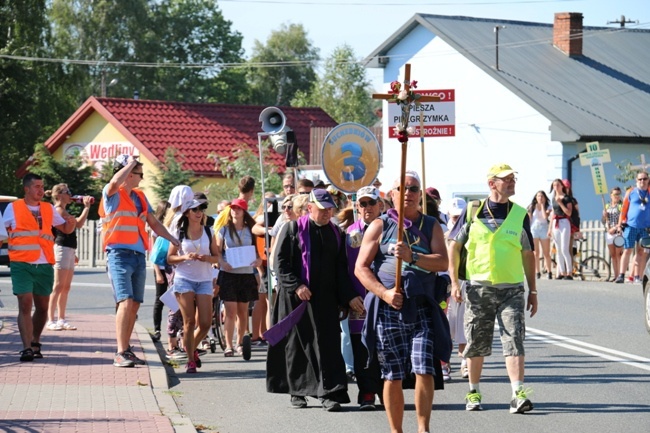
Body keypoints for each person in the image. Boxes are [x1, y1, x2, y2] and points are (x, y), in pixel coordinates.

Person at [355, 170, 450, 433]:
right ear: (391, 194)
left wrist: (413, 257)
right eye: (403, 188)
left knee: (424, 368)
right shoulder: (380, 225)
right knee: (393, 373)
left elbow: (442, 261)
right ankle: (396, 431)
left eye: (414, 189)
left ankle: (423, 428)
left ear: (420, 195)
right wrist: (384, 294)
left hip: (422, 305)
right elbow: (361, 268)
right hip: (389, 308)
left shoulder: (430, 225)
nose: (408, 193)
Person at [448, 163, 537, 414]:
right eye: (505, 179)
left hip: (512, 289)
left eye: (513, 178)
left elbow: (529, 254)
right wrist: (455, 282)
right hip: (479, 288)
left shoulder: (520, 214)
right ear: (492, 183)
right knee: (476, 342)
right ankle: (473, 392)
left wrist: (534, 290)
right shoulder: (473, 211)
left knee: (514, 340)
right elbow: (454, 246)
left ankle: (517, 394)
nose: (511, 182)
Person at [267, 189, 363, 412]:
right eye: (322, 209)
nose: (327, 213)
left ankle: (329, 392)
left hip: (326, 299)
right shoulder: (292, 229)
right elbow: (280, 264)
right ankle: (297, 391)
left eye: (330, 209)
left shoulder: (335, 233)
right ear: (310, 208)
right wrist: (296, 285)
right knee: (297, 346)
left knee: (327, 345)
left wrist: (347, 297)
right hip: (297, 298)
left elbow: (341, 269)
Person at [99, 154, 180, 368]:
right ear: (127, 173)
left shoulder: (140, 197)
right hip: (118, 254)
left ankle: (126, 349)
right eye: (138, 174)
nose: (141, 178)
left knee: (134, 305)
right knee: (125, 302)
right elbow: (115, 182)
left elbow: (153, 223)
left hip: (137, 256)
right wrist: (130, 163)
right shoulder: (112, 193)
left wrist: (171, 238)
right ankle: (119, 352)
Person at [3, 173, 77, 362]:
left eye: (42, 186)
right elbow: (2, 234)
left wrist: (71, 224)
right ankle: (27, 347)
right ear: (26, 189)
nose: (41, 190)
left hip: (44, 263)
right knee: (25, 303)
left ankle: (35, 341)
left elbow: (65, 230)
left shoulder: (48, 208)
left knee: (43, 307)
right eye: (36, 186)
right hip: (21, 263)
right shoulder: (13, 208)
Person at [167, 196, 218, 373]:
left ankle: (191, 348)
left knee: (204, 323)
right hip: (184, 279)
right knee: (189, 321)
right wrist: (184, 257)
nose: (199, 213)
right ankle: (190, 359)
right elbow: (170, 258)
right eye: (195, 209)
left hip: (204, 279)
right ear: (187, 212)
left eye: (202, 209)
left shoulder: (209, 231)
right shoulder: (179, 233)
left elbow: (217, 257)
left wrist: (207, 258)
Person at [344, 186, 384, 410]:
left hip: (384, 299)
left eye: (371, 203)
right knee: (362, 350)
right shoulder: (350, 234)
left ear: (380, 205)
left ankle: (386, 392)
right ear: (357, 207)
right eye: (362, 204)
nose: (367, 207)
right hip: (359, 301)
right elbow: (343, 270)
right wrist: (350, 297)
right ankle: (367, 392)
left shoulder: (390, 230)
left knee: (385, 349)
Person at [215, 198, 262, 357]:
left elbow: (259, 251)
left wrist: (258, 260)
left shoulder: (251, 230)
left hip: (246, 274)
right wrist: (221, 263)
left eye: (239, 209)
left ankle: (240, 343)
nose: (235, 211)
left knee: (243, 312)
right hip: (229, 274)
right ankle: (228, 345)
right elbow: (217, 252)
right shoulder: (224, 230)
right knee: (230, 311)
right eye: (233, 208)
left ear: (244, 211)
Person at [46, 184, 92, 331]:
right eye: (67, 192)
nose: (70, 194)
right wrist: (86, 207)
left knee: (66, 287)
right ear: (59, 195)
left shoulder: (64, 210)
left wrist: (73, 253)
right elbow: (76, 225)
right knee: (58, 286)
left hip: (69, 249)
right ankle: (50, 319)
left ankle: (61, 318)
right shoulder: (58, 210)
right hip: (61, 248)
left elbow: (75, 226)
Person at [444, 197, 469, 380]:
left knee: (465, 324)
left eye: (460, 217)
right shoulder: (442, 236)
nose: (457, 221)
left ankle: (465, 362)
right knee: (446, 326)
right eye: (454, 218)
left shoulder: (471, 236)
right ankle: (444, 363)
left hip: (466, 284)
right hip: (446, 286)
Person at [615, 172, 650, 284]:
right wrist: (620, 224)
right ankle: (621, 275)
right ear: (636, 180)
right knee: (627, 250)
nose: (642, 181)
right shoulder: (631, 192)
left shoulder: (649, 192)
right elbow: (624, 209)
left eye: (644, 179)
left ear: (648, 180)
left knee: (642, 252)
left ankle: (638, 277)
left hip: (645, 228)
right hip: (631, 226)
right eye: (640, 179)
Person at [151, 200, 171, 342]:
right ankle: (157, 329)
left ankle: (174, 330)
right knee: (160, 299)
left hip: (172, 268)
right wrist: (158, 272)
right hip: (161, 267)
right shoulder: (156, 229)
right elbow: (153, 253)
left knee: (175, 300)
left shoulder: (174, 226)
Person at [548, 179, 574, 280]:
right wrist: (550, 228)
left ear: (562, 186)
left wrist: (561, 203)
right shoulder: (553, 198)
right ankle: (561, 272)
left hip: (564, 222)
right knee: (558, 249)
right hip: (556, 223)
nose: (556, 187)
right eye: (554, 185)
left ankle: (569, 272)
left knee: (564, 249)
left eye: (558, 185)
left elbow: (569, 213)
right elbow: (553, 213)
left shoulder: (566, 198)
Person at [527, 191, 553, 279]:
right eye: (538, 196)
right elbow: (529, 219)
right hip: (534, 229)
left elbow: (545, 217)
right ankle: (537, 271)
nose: (540, 198)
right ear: (536, 197)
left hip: (544, 229)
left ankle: (549, 272)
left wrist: (542, 205)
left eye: (542, 196)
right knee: (535, 253)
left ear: (545, 198)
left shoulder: (548, 207)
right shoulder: (532, 207)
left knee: (546, 253)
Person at [603, 187, 623, 282]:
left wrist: (615, 228)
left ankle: (620, 275)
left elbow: (623, 219)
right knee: (613, 255)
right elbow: (603, 221)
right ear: (611, 195)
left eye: (618, 194)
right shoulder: (607, 206)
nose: (617, 196)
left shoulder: (621, 206)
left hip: (618, 232)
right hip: (609, 232)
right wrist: (604, 216)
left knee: (618, 254)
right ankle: (615, 275)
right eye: (615, 194)